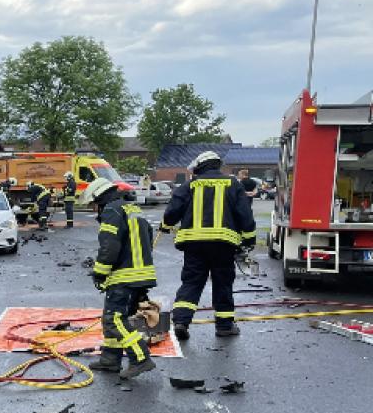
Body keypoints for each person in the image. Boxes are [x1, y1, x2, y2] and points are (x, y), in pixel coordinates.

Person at [162, 152, 256, 339]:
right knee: (223, 283)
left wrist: (166, 225)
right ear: (217, 165)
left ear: (200, 167)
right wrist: (248, 240)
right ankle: (224, 326)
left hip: (194, 245)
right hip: (223, 245)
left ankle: (181, 322)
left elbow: (171, 213)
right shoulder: (233, 184)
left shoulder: (189, 186)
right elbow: (245, 216)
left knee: (191, 282)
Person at [80, 177, 157, 379]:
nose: (94, 208)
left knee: (115, 320)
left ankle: (141, 359)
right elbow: (148, 237)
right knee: (111, 317)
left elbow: (109, 246)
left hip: (124, 275)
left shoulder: (111, 211)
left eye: (94, 204)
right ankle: (110, 358)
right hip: (140, 273)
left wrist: (100, 272)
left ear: (100, 197)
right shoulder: (131, 209)